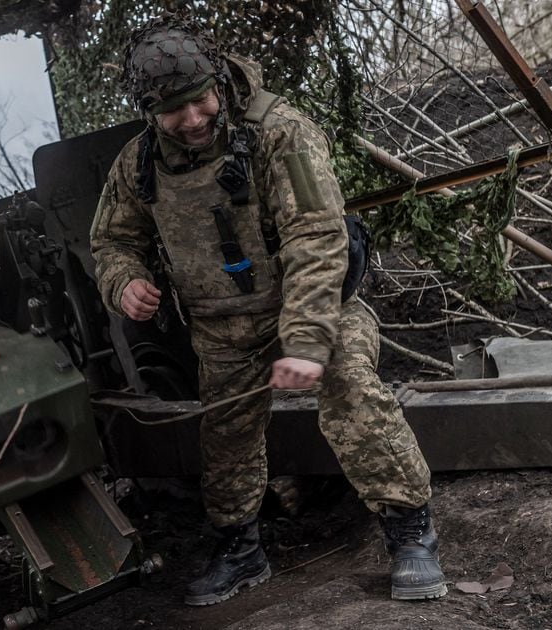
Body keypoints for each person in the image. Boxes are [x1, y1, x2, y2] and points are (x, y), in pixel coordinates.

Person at [90, 13, 447, 606]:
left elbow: (317, 237)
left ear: (218, 83)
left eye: (199, 100)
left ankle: (410, 530)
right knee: (226, 438)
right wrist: (123, 281)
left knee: (351, 389)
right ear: (150, 113)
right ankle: (239, 548)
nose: (192, 119)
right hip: (222, 328)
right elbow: (112, 241)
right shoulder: (137, 164)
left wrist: (306, 339)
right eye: (173, 110)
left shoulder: (282, 134)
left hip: (314, 305)